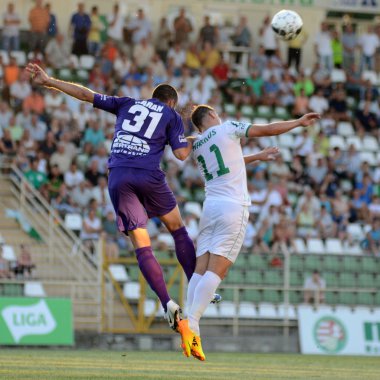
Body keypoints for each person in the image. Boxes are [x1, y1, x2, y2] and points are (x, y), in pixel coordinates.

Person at [26, 62, 200, 336]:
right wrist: (192, 135)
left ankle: (166, 302)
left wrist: (49, 81)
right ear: (171, 101)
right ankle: (197, 285)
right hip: (148, 175)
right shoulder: (171, 114)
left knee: (142, 245)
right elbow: (181, 155)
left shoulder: (126, 103)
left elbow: (86, 95)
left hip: (118, 176)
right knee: (177, 229)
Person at [176, 104, 320, 360]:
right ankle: (193, 323)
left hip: (210, 207)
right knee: (218, 269)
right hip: (233, 207)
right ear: (211, 116)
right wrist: (298, 122)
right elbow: (269, 128)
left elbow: (230, 162)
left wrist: (258, 156)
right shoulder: (228, 128)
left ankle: (189, 316)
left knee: (201, 268)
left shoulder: (197, 144)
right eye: (216, 114)